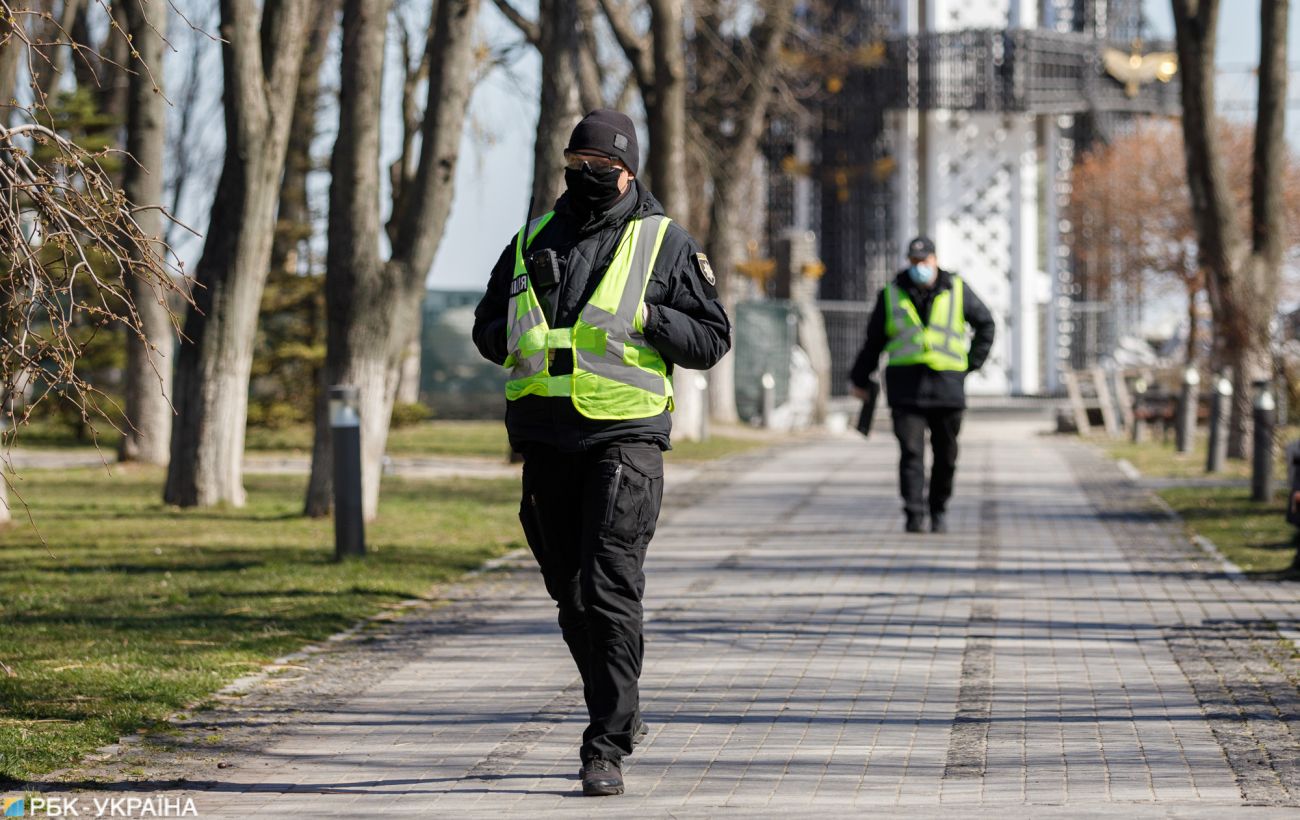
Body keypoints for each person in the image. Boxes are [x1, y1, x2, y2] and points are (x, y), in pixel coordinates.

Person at [471, 109, 731, 797]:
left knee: (609, 590)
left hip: (625, 439)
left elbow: (711, 340)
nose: (584, 175)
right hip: (544, 440)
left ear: (627, 172)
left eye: (598, 166)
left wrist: (649, 317)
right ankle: (620, 712)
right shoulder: (531, 239)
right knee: (571, 595)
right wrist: (518, 324)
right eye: (575, 163)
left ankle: (605, 744)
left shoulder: (664, 243)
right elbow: (487, 329)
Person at [848, 236, 995, 534]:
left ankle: (938, 509)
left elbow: (986, 324)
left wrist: (971, 364)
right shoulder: (891, 294)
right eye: (914, 262)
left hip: (947, 387)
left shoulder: (957, 289)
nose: (920, 267)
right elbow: (874, 342)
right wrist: (860, 379)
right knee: (911, 453)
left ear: (935, 260)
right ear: (908, 262)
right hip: (906, 388)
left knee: (946, 455)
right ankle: (914, 515)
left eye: (924, 261)